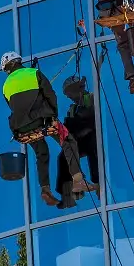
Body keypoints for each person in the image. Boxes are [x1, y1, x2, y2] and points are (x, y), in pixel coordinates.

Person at [0, 52, 94, 206]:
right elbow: (50, 95)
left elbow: (13, 106)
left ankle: (45, 189)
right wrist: (52, 115)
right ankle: (78, 179)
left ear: (7, 69)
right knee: (68, 141)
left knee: (41, 152)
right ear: (18, 61)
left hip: (21, 128)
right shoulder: (34, 73)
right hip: (43, 120)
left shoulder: (6, 85)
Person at [55, 75, 100, 208]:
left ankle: (97, 182)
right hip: (79, 140)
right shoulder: (72, 109)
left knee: (94, 150)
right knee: (63, 157)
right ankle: (68, 192)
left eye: (70, 93)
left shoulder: (92, 98)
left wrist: (76, 122)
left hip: (91, 137)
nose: (70, 97)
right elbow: (68, 128)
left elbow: (92, 117)